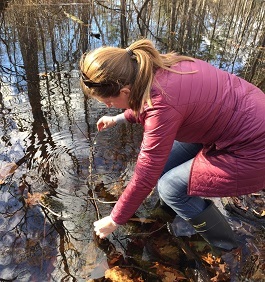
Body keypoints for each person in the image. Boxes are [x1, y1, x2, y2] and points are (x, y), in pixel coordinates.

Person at [79, 39, 265, 252]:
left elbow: (145, 173)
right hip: (238, 122)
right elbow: (148, 102)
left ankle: (227, 247)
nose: (108, 106)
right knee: (165, 167)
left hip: (253, 150)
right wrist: (119, 117)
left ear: (125, 92)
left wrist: (115, 219)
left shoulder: (162, 103)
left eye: (108, 102)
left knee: (169, 187)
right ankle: (174, 210)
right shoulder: (157, 67)